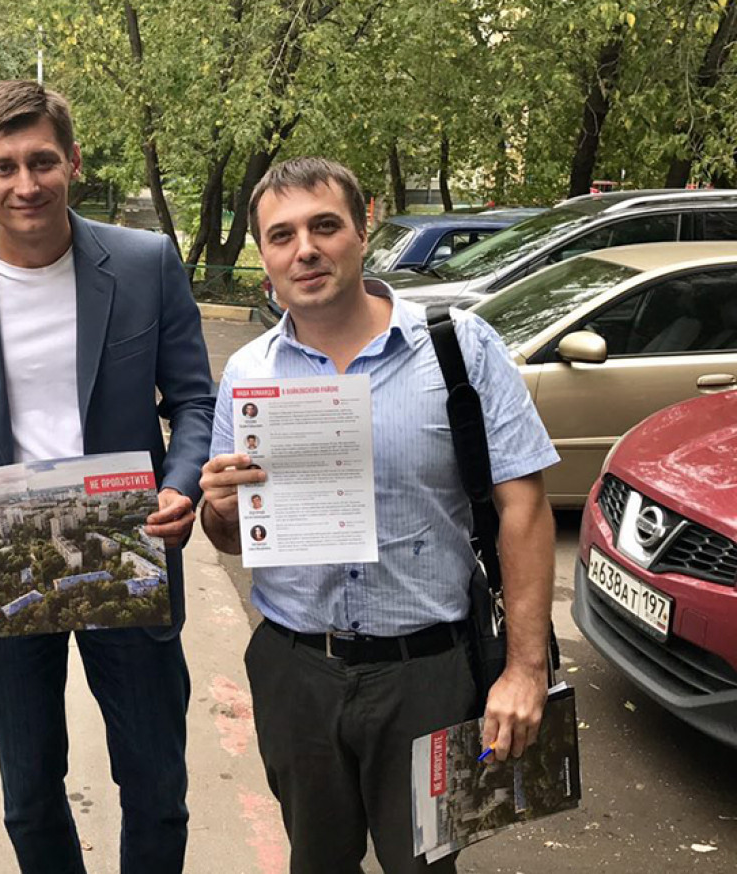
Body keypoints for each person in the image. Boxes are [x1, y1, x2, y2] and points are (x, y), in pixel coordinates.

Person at [0, 80, 215, 873]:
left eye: (41, 161)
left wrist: (181, 482)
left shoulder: (143, 263)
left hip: (121, 547)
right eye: (4, 166)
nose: (24, 184)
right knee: (29, 793)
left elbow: (195, 401)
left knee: (155, 786)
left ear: (72, 160)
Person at [198, 158, 558, 874]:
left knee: (425, 865)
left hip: (426, 675)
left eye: (324, 226)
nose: (305, 249)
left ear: (365, 225)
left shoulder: (459, 348)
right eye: (281, 236)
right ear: (263, 257)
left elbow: (525, 508)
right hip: (297, 671)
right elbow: (232, 538)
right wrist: (220, 510)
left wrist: (525, 670)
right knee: (316, 862)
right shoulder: (248, 375)